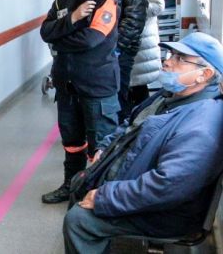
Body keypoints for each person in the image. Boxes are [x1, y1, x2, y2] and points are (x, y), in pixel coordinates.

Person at [63, 32, 223, 254]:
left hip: (167, 212)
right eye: (171, 54)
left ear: (204, 74)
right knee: (79, 184)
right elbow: (131, 122)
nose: (167, 61)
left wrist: (106, 197)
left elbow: (168, 186)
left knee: (79, 220)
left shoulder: (201, 125)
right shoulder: (170, 96)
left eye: (179, 58)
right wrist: (105, 148)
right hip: (141, 181)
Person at [40, 0, 120, 204]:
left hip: (97, 86)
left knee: (99, 146)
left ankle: (95, 196)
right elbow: (45, 31)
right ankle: (71, 187)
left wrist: (59, 40)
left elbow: (92, 39)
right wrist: (73, 17)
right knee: (72, 142)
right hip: (67, 84)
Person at [104, 0, 151, 122]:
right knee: (107, 95)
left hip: (119, 49)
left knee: (117, 96)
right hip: (104, 45)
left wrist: (115, 49)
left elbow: (134, 19)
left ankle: (119, 139)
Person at [128, 0, 165, 107]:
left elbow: (158, 6)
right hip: (117, 47)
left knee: (139, 93)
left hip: (142, 44)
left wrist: (130, 7)